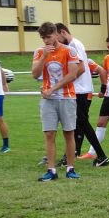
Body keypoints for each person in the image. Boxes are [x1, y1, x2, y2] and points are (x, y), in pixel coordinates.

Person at [55, 23, 109, 167]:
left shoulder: (74, 45)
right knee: (78, 125)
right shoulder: (75, 44)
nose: (57, 42)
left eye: (57, 38)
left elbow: (81, 69)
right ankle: (71, 155)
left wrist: (65, 81)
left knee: (83, 123)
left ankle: (101, 156)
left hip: (80, 91)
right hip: (81, 90)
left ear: (62, 32)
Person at [32, 22, 81, 181]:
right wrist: (44, 57)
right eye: (43, 38)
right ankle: (51, 170)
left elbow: (72, 75)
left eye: (49, 37)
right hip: (48, 100)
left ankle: (70, 168)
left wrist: (52, 89)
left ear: (55, 34)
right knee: (49, 134)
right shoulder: (39, 52)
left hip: (66, 97)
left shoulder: (69, 51)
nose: (46, 40)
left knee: (69, 133)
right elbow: (35, 74)